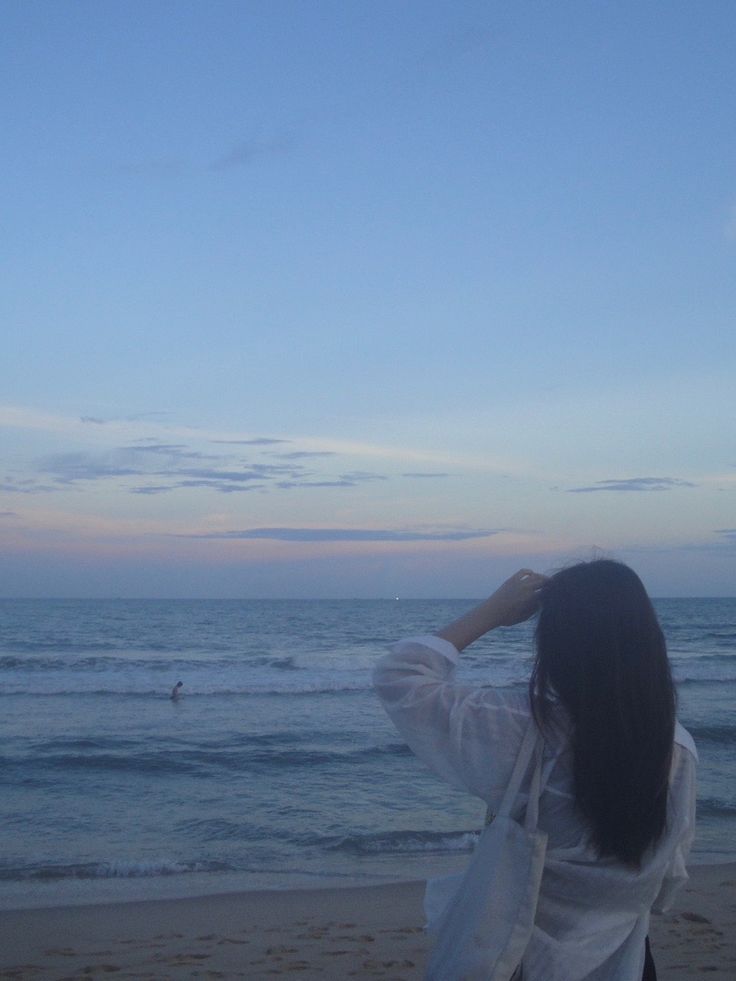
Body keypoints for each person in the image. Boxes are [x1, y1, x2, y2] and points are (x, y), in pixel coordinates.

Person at [373, 561, 697, 981]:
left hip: (515, 962)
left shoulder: (524, 729)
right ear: (648, 641)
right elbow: (669, 875)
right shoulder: (676, 748)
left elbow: (399, 676)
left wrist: (491, 612)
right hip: (626, 962)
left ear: (555, 643)